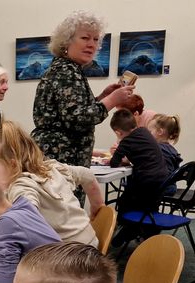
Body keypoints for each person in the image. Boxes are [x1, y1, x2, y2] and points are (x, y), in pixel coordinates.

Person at [0, 120, 103, 247]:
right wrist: (97, 206)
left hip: (69, 256)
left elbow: (26, 214)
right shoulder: (53, 168)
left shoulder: (21, 186)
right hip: (90, 243)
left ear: (12, 164)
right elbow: (88, 175)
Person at [32, 10, 133, 169]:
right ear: (66, 41)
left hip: (59, 159)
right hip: (62, 160)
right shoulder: (66, 71)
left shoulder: (67, 68)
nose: (92, 44)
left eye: (95, 39)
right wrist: (113, 100)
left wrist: (102, 97)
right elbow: (78, 119)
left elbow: (72, 111)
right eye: (85, 38)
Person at [109, 109, 169, 246]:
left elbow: (113, 163)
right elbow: (143, 154)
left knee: (124, 202)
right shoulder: (144, 132)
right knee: (149, 207)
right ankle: (143, 234)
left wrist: (119, 154)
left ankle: (129, 229)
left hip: (145, 179)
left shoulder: (126, 141)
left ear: (118, 132)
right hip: (162, 178)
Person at [147, 114, 183, 194]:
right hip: (171, 186)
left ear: (160, 132)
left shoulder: (156, 149)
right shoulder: (172, 150)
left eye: (150, 132)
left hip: (160, 187)